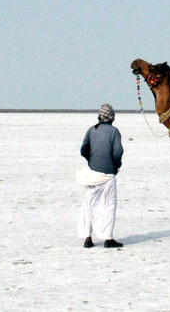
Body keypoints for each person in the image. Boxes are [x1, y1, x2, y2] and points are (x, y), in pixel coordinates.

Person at [76, 104, 124, 248]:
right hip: (108, 175)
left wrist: (92, 161)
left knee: (88, 206)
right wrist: (115, 166)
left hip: (92, 175)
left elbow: (83, 150)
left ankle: (88, 238)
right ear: (112, 118)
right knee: (108, 206)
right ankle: (108, 239)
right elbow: (117, 152)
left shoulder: (92, 130)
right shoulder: (114, 131)